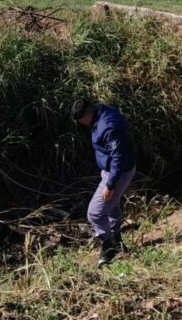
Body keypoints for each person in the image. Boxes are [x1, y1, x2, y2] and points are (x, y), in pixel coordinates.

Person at [71, 98, 137, 266]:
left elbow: (118, 158)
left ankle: (108, 246)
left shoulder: (108, 126)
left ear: (87, 115)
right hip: (111, 170)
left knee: (94, 213)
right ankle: (117, 241)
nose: (81, 125)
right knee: (112, 207)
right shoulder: (101, 110)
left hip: (118, 173)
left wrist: (110, 185)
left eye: (80, 121)